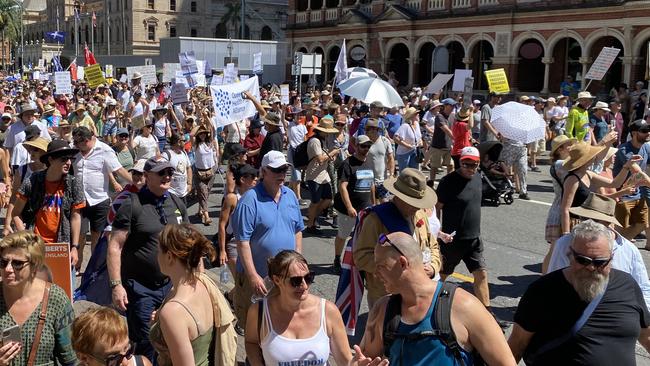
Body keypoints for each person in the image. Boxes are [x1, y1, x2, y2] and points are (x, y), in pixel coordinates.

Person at [358, 232, 517, 366]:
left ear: (402, 263)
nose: (376, 274)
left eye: (381, 266)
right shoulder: (382, 310)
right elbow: (367, 359)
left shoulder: (464, 306)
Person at [508, 220, 650, 365]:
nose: (591, 268)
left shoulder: (627, 285)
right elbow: (516, 346)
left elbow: (647, 337)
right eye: (583, 260)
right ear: (570, 255)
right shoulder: (543, 291)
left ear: (611, 258)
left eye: (600, 262)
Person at [108, 157, 189, 361]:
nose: (167, 176)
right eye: (161, 173)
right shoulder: (132, 204)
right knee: (147, 341)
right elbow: (115, 246)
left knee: (175, 337)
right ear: (147, 177)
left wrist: (198, 276)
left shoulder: (177, 202)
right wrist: (116, 285)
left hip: (174, 286)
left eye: (169, 172)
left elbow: (190, 242)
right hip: (141, 288)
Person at [246, 250, 384, 366]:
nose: (305, 286)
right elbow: (251, 342)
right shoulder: (260, 312)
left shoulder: (328, 311)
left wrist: (355, 364)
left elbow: (345, 360)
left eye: (308, 277)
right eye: (296, 281)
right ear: (277, 280)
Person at [231, 151, 304, 332]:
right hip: (258, 278)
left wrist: (299, 261)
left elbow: (297, 231)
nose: (281, 174)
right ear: (263, 172)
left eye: (284, 169)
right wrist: (253, 275)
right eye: (276, 170)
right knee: (254, 326)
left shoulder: (290, 195)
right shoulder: (250, 200)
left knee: (281, 324)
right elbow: (243, 242)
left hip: (285, 277)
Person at [436, 146, 507, 326]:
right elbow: (436, 207)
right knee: (442, 276)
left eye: (473, 164)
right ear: (460, 162)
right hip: (452, 241)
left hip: (474, 239)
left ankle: (488, 315)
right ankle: (430, 309)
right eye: (466, 164)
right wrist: (438, 231)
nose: (470, 168)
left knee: (481, 274)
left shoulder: (478, 176)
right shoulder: (448, 182)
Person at [150, 224, 237, 366]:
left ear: (170, 256)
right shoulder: (202, 283)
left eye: (159, 251)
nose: (157, 255)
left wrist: (165, 320)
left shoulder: (173, 312)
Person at [353, 168, 440, 308]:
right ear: (399, 197)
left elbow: (433, 246)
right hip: (386, 294)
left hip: (417, 292)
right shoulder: (376, 220)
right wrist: (396, 270)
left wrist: (433, 267)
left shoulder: (420, 214)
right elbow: (361, 257)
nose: (417, 207)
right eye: (412, 202)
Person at [548, 193, 650, 308]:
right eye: (584, 218)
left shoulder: (628, 250)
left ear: (608, 223)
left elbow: (643, 288)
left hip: (615, 312)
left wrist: (642, 318)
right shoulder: (565, 243)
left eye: (595, 220)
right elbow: (554, 280)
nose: (588, 224)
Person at [0, 231, 78, 365]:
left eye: (17, 263)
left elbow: (72, 359)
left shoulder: (55, 299)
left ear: (35, 266)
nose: (8, 269)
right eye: (3, 261)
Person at [11, 139, 85, 267]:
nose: (68, 162)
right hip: (36, 246)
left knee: (63, 286)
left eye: (70, 159)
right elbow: (16, 213)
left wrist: (75, 247)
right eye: (63, 159)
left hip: (62, 247)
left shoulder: (73, 183)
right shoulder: (33, 180)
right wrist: (27, 237)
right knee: (35, 285)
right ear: (50, 160)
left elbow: (75, 217)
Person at [73, 126, 132, 264]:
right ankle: (78, 262)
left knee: (96, 236)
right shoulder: (74, 151)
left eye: (77, 142)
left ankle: (93, 266)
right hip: (79, 200)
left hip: (99, 200)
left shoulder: (104, 150)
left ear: (87, 141)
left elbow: (119, 170)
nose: (74, 145)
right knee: (79, 235)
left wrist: (137, 184)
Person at [332, 135, 375, 273]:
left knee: (363, 236)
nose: (366, 149)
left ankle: (357, 260)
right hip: (347, 209)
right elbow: (342, 186)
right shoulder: (347, 164)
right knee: (343, 234)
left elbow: (371, 184)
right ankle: (337, 258)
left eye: (368, 146)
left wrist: (374, 203)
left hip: (365, 207)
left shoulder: (369, 162)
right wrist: (349, 207)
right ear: (356, 146)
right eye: (363, 146)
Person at [72, 307, 153, 366]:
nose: (125, 362)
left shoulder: (142, 364)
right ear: (84, 358)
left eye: (128, 350)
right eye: (114, 359)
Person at [612, 119, 650, 243]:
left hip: (639, 193)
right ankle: (616, 247)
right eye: (644, 131)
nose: (648, 133)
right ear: (634, 133)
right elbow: (638, 173)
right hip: (623, 195)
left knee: (643, 223)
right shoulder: (624, 149)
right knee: (620, 229)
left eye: (648, 130)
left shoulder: (646, 147)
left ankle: (619, 246)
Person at [543, 135, 576, 273]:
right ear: (560, 149)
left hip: (562, 207)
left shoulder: (564, 163)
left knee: (558, 248)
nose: (571, 147)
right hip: (560, 209)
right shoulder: (560, 164)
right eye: (568, 144)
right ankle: (545, 277)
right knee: (555, 248)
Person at [218, 164, 258, 276]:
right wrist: (222, 251)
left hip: (250, 242)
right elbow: (222, 225)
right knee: (240, 280)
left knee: (246, 282)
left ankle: (230, 295)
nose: (256, 178)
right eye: (252, 176)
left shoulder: (255, 196)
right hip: (234, 243)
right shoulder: (232, 198)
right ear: (243, 179)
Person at [304, 117, 341, 235]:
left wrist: (331, 156)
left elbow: (324, 157)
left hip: (323, 175)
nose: (328, 134)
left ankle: (313, 217)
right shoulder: (315, 141)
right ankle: (310, 225)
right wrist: (333, 152)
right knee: (315, 202)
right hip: (314, 176)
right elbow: (320, 159)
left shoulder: (322, 140)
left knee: (329, 199)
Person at [361, 118, 394, 202]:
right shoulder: (363, 142)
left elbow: (391, 158)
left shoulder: (385, 141)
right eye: (366, 129)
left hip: (382, 180)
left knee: (384, 203)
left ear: (376, 130)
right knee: (369, 205)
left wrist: (391, 174)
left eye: (370, 129)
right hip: (366, 178)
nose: (367, 131)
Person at [192, 124, 218, 225]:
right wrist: (199, 126)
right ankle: (206, 216)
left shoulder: (209, 143)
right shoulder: (196, 144)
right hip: (199, 172)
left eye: (204, 133)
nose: (202, 135)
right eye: (200, 134)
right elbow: (191, 134)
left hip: (210, 171)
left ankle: (200, 210)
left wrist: (206, 118)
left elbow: (212, 128)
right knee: (203, 192)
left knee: (205, 193)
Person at [429, 98, 456, 182]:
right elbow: (446, 130)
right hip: (438, 147)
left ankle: (447, 182)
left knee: (451, 165)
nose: (453, 107)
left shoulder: (452, 116)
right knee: (434, 166)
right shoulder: (439, 116)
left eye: (454, 105)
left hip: (448, 146)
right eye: (451, 105)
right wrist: (456, 139)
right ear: (445, 106)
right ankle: (431, 182)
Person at [163, 133, 192, 202]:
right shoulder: (166, 155)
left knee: (184, 212)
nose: (185, 142)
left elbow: (189, 168)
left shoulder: (184, 153)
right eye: (184, 140)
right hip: (172, 194)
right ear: (179, 142)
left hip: (183, 193)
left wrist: (189, 184)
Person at [393, 107, 422, 171]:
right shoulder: (405, 126)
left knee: (414, 171)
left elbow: (418, 136)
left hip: (414, 151)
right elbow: (395, 138)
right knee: (404, 172)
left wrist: (420, 141)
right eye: (416, 113)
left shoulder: (417, 124)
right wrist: (407, 145)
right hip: (404, 153)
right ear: (411, 116)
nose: (418, 114)